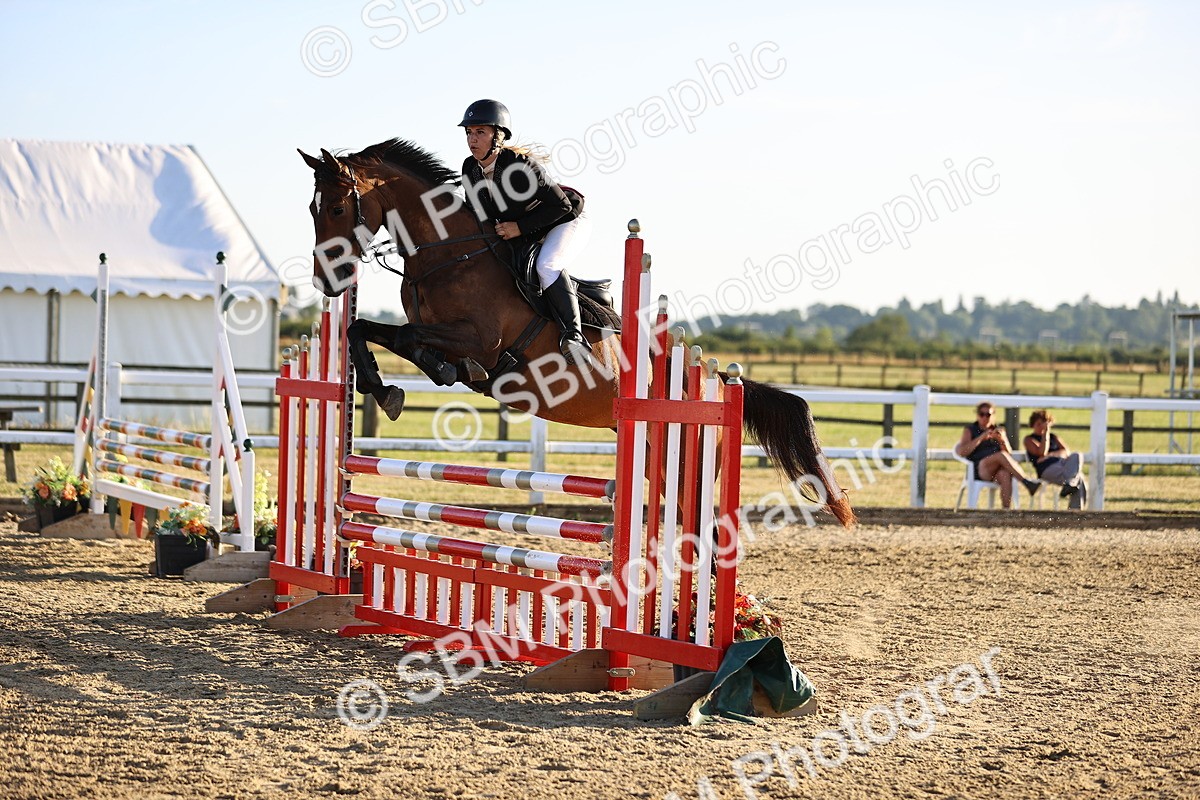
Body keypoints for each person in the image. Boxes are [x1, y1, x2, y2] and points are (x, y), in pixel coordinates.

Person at [457, 99, 592, 364]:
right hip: (526, 229)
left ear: (498, 137)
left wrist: (519, 228)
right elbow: (477, 215)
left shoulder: (521, 166)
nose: (472, 139)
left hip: (566, 218)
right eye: (469, 132)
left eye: (480, 132)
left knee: (547, 265)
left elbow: (562, 206)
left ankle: (574, 337)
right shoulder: (470, 169)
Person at [955, 402, 1040, 508]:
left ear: (993, 415)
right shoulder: (970, 430)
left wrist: (1002, 440)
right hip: (980, 468)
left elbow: (1009, 455)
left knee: (1005, 474)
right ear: (977, 415)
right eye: (982, 414)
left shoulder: (998, 430)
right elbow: (963, 451)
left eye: (988, 415)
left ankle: (1006, 511)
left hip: (997, 469)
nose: (985, 417)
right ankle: (1026, 482)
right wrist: (981, 438)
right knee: (1000, 455)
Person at [1023, 410, 1087, 510]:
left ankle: (1069, 484)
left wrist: (1051, 455)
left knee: (1077, 455)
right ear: (1033, 425)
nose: (1041, 427)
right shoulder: (1029, 439)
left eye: (1044, 424)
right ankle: (1075, 512)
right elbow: (1042, 452)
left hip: (1062, 465)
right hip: (1047, 469)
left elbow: (1067, 452)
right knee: (1079, 479)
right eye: (1038, 424)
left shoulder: (1054, 437)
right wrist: (1045, 433)